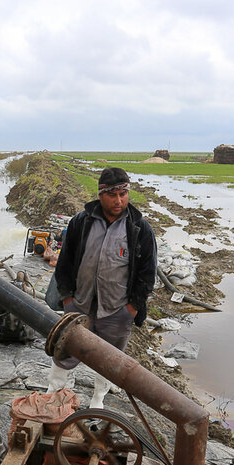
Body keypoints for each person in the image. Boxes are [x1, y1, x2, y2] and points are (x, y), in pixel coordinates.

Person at [46, 167, 157, 408]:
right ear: (100, 195)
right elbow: (64, 264)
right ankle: (53, 394)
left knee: (110, 358)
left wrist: (131, 308)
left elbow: (147, 275)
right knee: (65, 351)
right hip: (79, 305)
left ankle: (98, 399)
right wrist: (67, 300)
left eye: (123, 194)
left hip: (117, 310)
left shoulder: (139, 229)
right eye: (112, 195)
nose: (119, 200)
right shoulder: (80, 223)